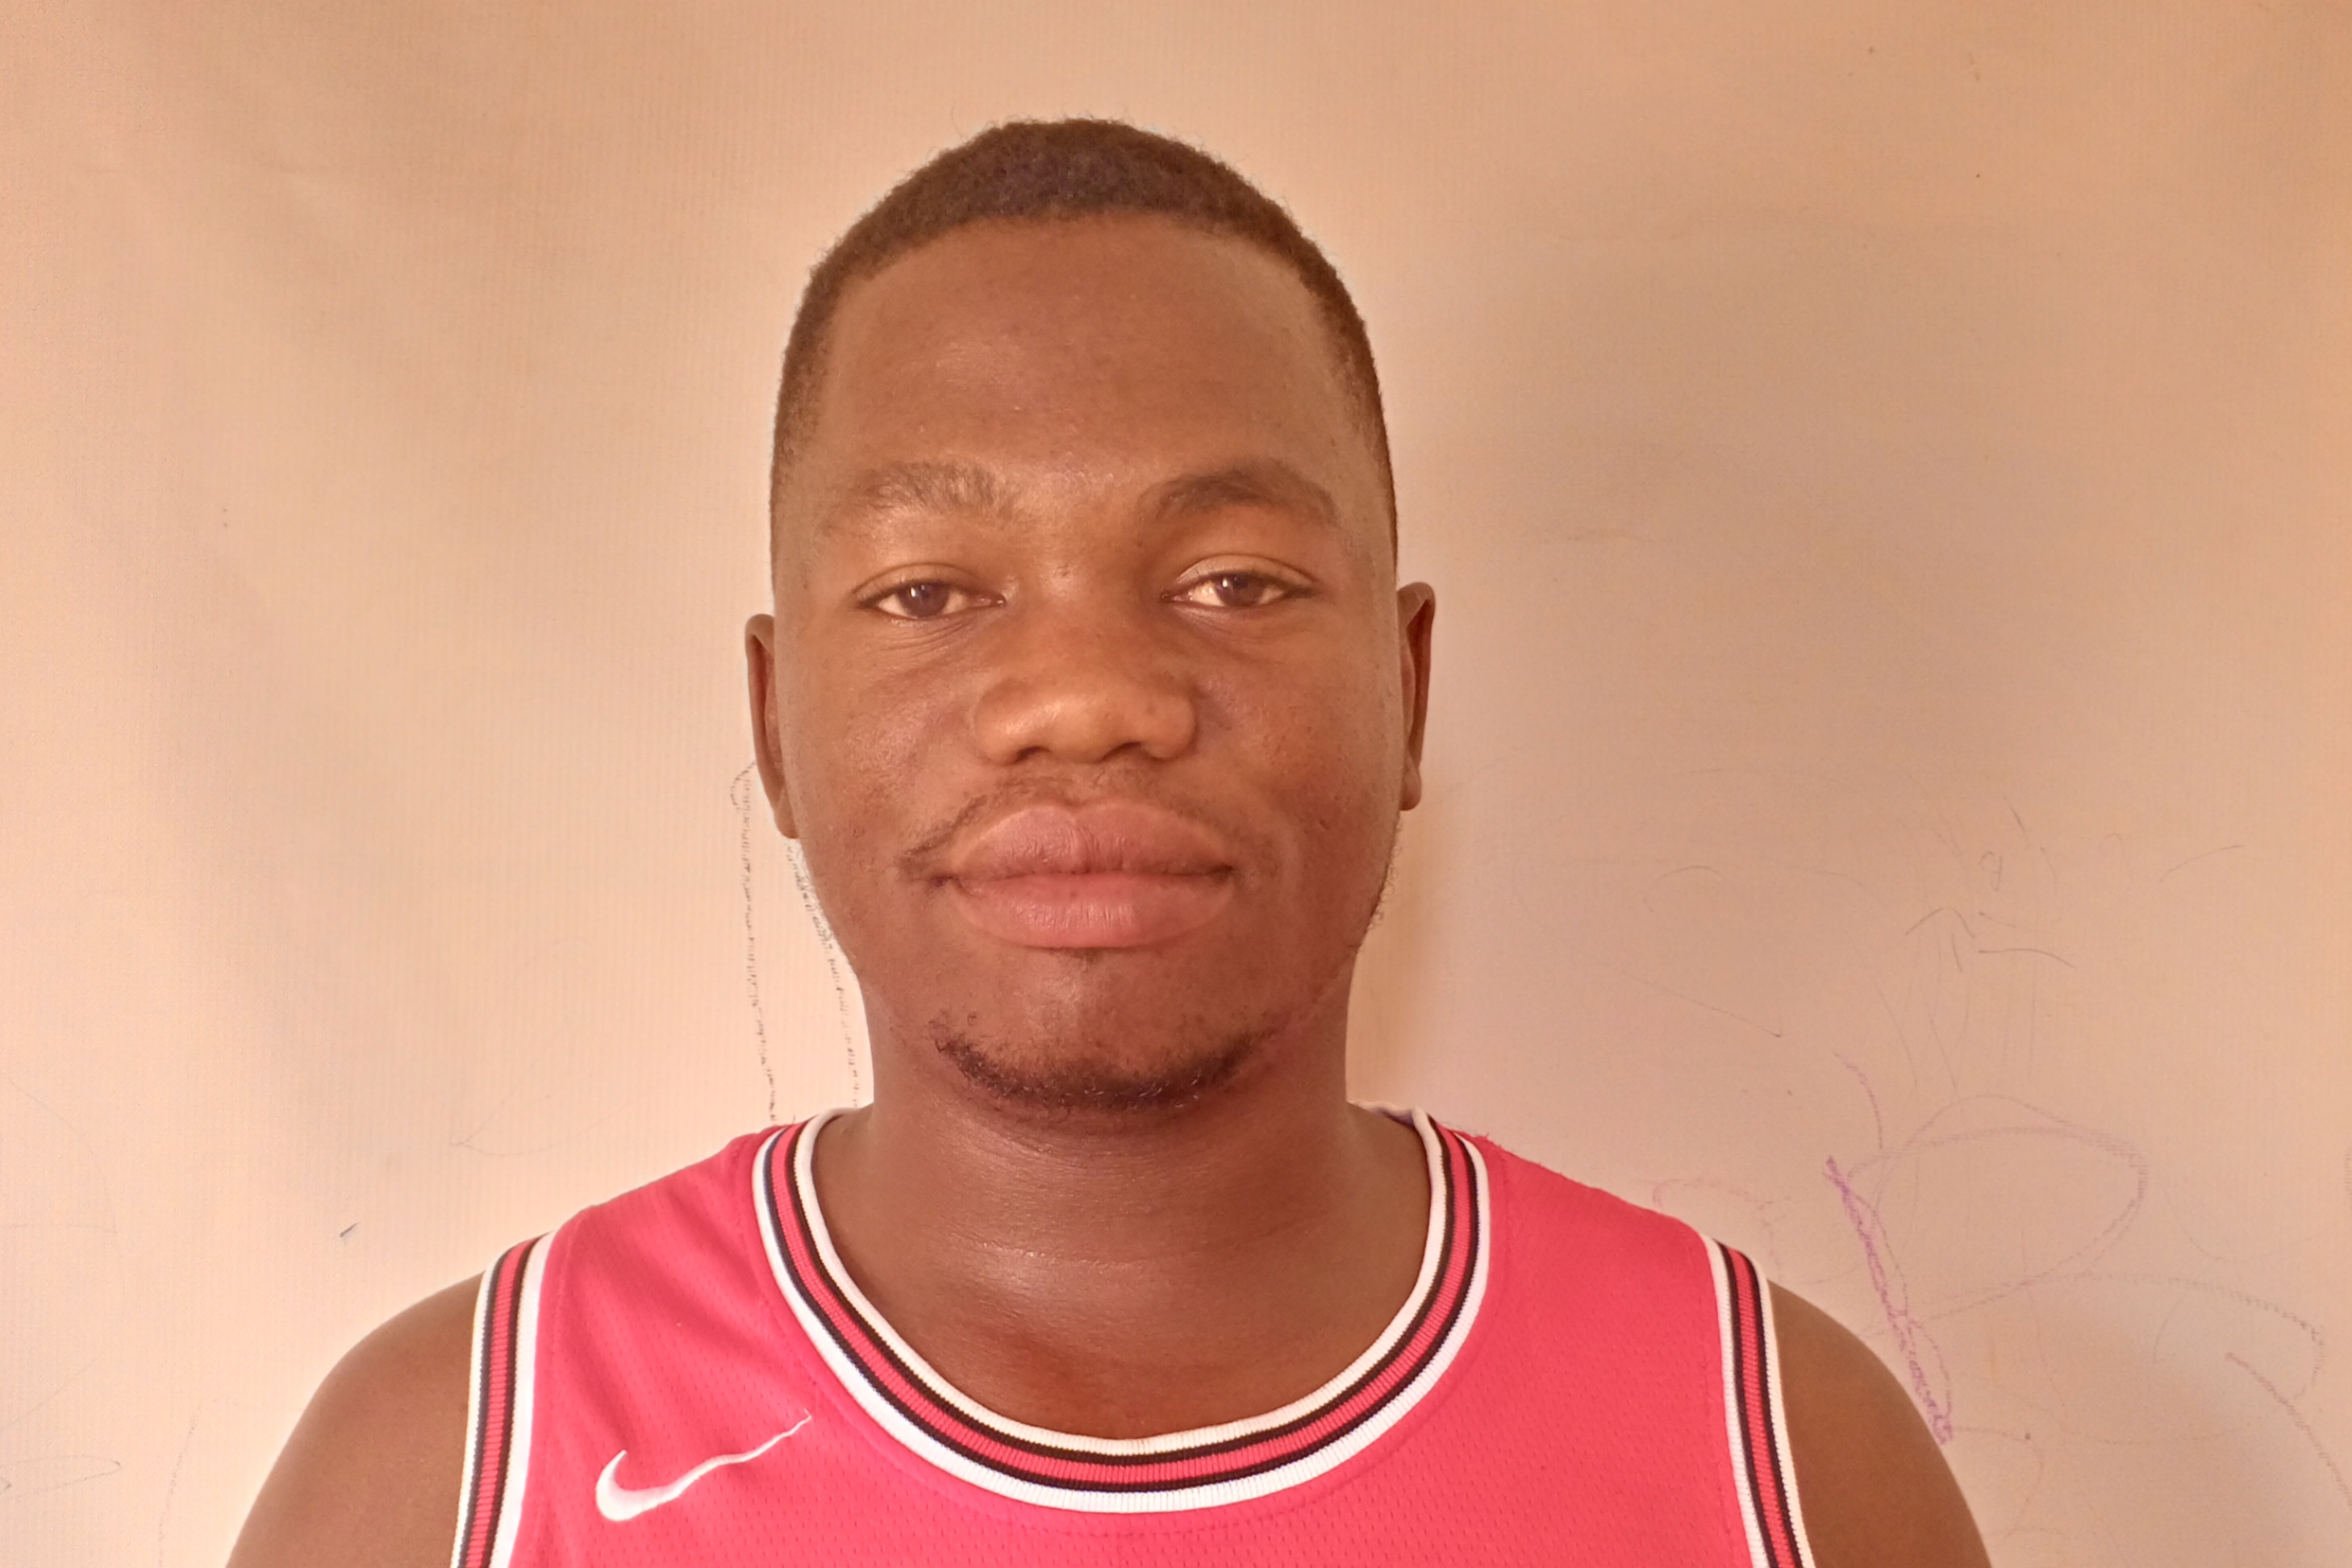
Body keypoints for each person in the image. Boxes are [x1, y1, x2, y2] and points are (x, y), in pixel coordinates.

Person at [231, 119, 1987, 1566]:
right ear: (774, 726)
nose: (1085, 699)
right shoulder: (449, 1475)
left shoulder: (1787, 1460)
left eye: (1234, 582)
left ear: (1407, 690)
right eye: (929, 592)